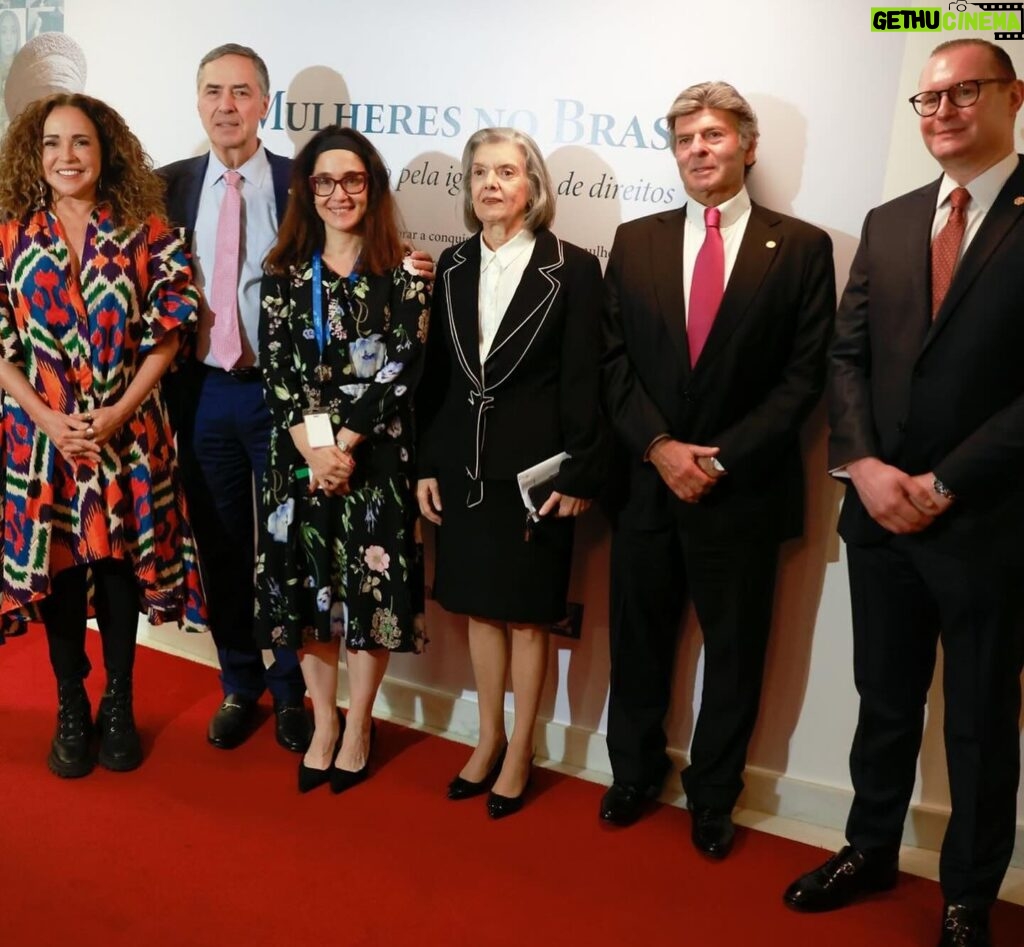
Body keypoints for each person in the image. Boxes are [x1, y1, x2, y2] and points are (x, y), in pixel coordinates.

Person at [784, 40, 1024, 947]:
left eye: (964, 92)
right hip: (879, 518)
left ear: (1012, 97)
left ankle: (969, 893)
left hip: (991, 523)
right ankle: (868, 847)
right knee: (883, 702)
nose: (944, 111)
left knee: (979, 721)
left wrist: (948, 479)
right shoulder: (889, 221)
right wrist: (867, 467)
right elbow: (848, 359)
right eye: (928, 100)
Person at [160, 45, 433, 754]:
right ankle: (238, 681)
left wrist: (329, 436)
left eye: (242, 92)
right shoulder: (167, 188)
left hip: (280, 401)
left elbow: (360, 266)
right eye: (214, 91)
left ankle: (293, 699)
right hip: (202, 393)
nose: (227, 104)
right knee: (224, 548)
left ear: (264, 104)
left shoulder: (299, 181)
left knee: (288, 556)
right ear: (198, 102)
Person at [599, 82, 835, 856]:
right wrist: (661, 449)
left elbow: (805, 377)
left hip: (743, 491)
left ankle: (713, 795)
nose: (698, 150)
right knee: (638, 642)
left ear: (748, 145)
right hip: (647, 486)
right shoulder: (634, 241)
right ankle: (632, 773)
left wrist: (721, 458)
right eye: (685, 140)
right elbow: (613, 364)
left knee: (734, 657)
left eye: (713, 136)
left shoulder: (800, 247)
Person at [0, 92, 204, 777]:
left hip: (128, 433)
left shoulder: (148, 231)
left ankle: (118, 699)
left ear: (104, 150)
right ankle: (69, 701)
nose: (66, 156)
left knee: (117, 570)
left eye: (80, 142)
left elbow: (170, 332)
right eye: (53, 143)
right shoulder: (8, 235)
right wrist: (48, 417)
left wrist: (116, 412)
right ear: (36, 153)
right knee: (62, 574)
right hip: (42, 439)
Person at [416, 127, 606, 819]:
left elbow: (586, 376)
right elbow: (437, 379)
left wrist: (582, 470)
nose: (491, 184)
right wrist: (428, 464)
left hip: (538, 474)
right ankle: (487, 737)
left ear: (534, 185)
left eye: (506, 171)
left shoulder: (574, 267)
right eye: (479, 174)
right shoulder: (453, 262)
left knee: (528, 619)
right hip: (465, 468)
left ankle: (522, 748)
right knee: (477, 612)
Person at [256, 125, 429, 794]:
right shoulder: (282, 276)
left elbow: (400, 369)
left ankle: (359, 724)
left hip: (375, 463)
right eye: (324, 181)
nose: (338, 194)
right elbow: (276, 372)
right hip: (300, 465)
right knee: (309, 597)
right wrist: (316, 449)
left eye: (352, 180)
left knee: (367, 598)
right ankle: (322, 723)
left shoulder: (405, 274)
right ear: (307, 191)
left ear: (372, 187)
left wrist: (345, 445)